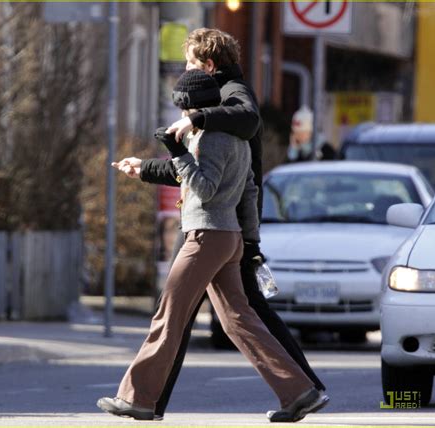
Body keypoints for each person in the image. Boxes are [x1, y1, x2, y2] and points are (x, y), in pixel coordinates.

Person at [108, 28, 327, 422]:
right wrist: (146, 168)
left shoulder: (222, 119)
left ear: (208, 67)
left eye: (191, 64)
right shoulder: (233, 137)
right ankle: (299, 392)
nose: (189, 70)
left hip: (207, 233)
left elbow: (204, 186)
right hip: (229, 236)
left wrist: (182, 141)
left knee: (169, 313)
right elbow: (242, 185)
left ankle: (138, 398)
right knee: (239, 320)